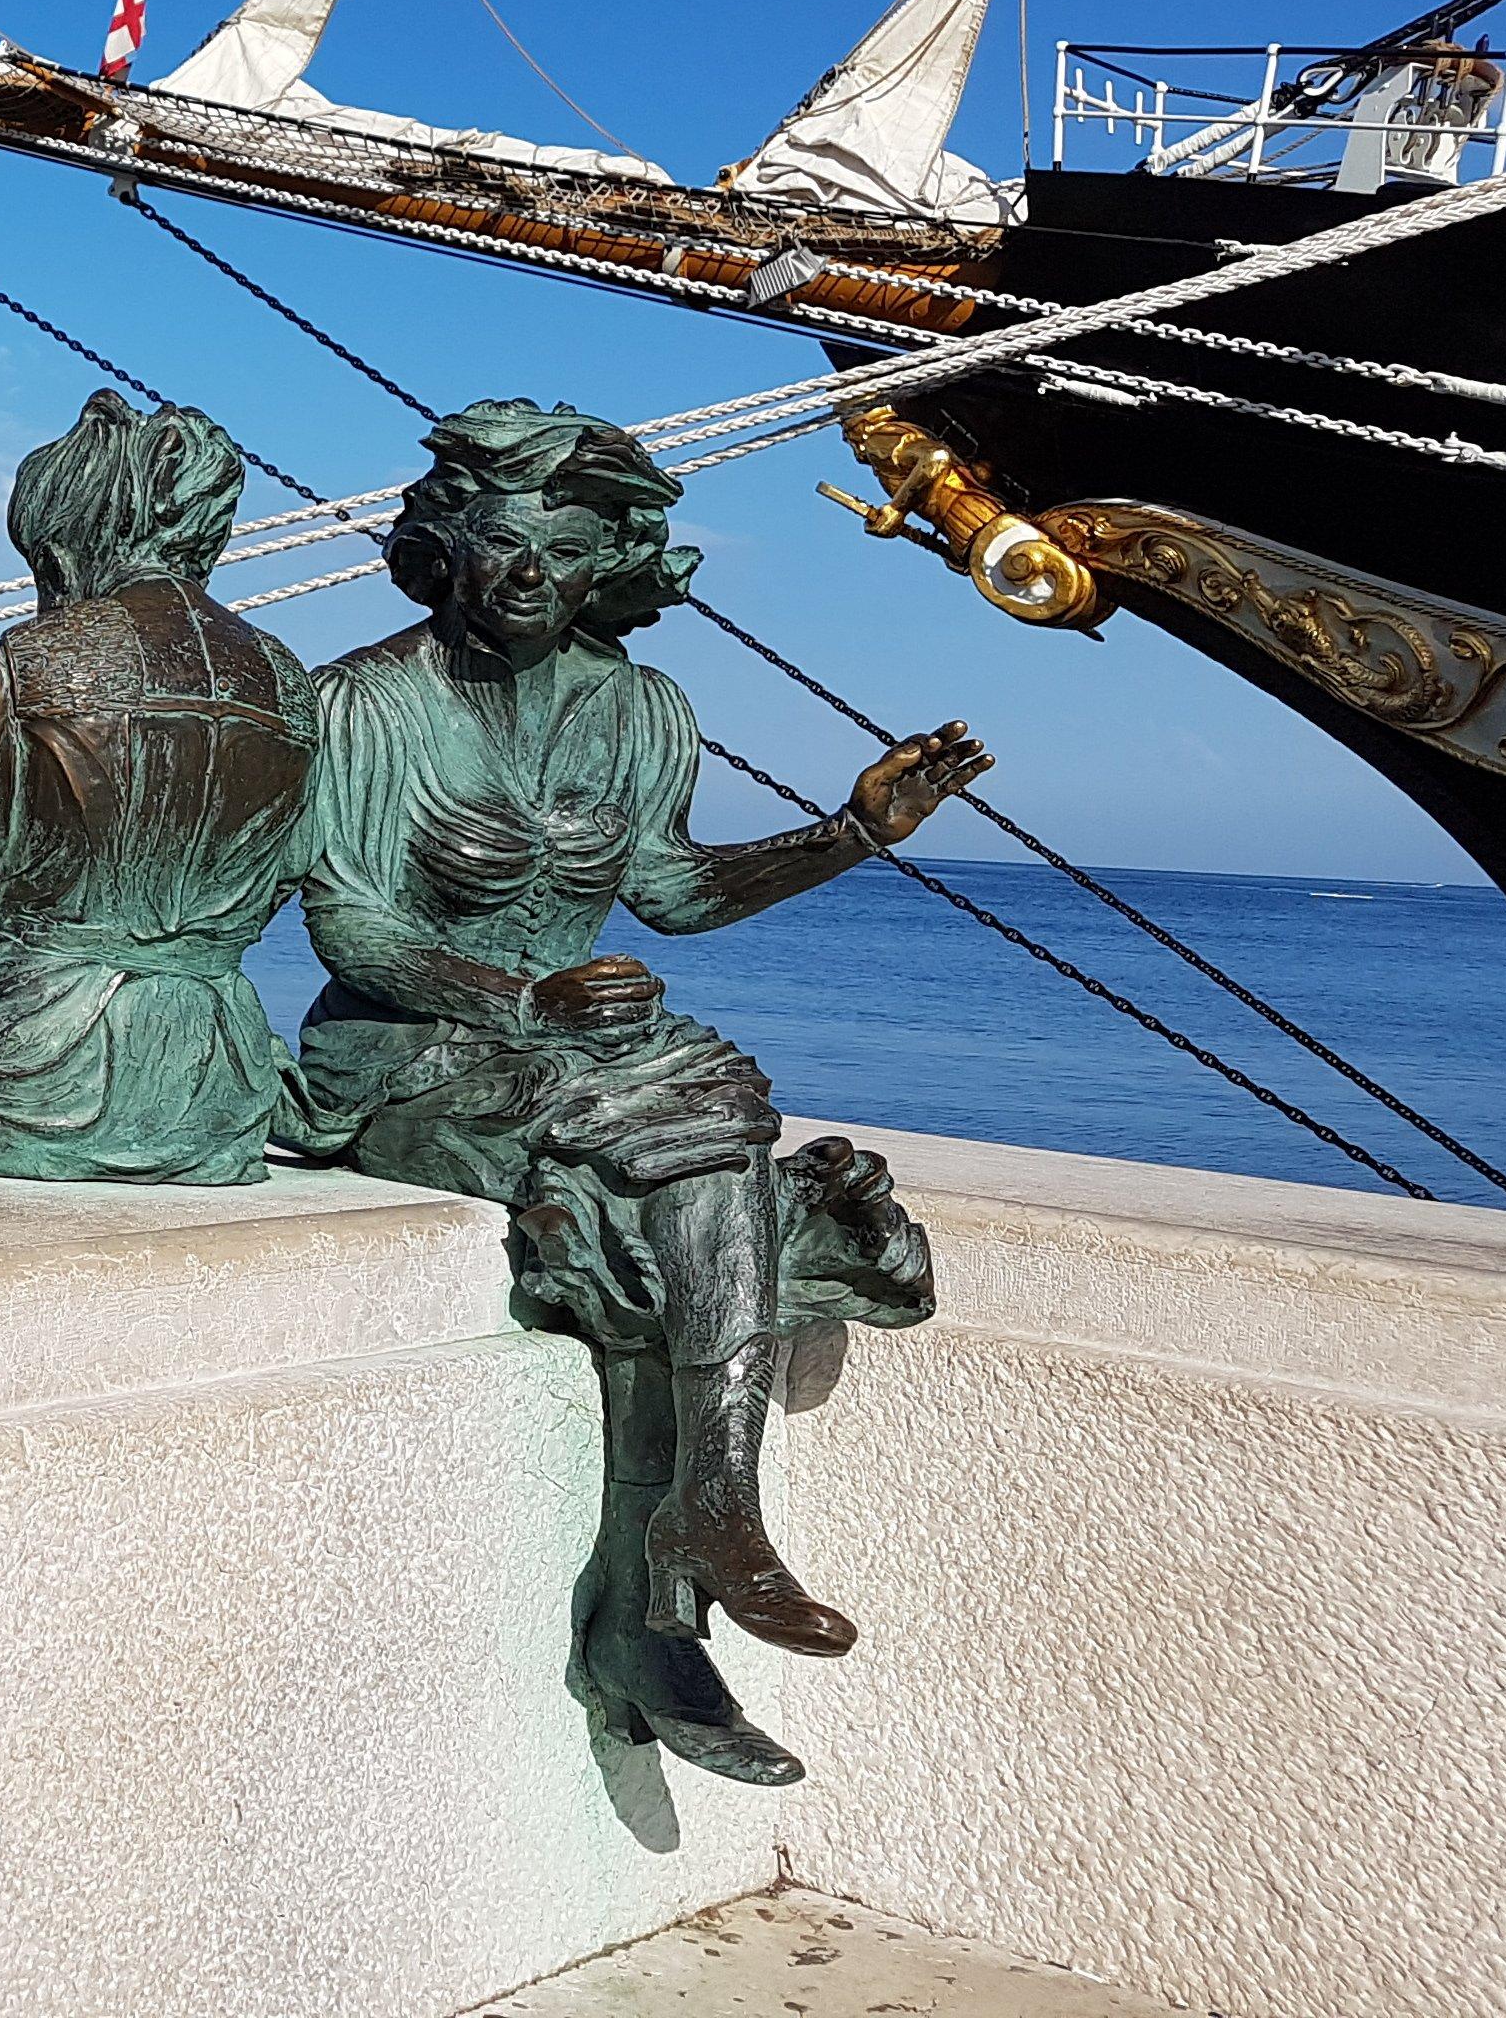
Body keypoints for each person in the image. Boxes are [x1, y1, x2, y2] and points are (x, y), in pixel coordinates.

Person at [280, 400, 986, 1785]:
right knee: (683, 1164)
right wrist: (521, 999)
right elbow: (348, 924)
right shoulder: (364, 701)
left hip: (585, 1061)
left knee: (695, 1147)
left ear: (610, 562)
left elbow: (674, 891)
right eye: (502, 542)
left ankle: (688, 1547)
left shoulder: (643, 708)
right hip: (408, 1056)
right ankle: (690, 1556)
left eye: (564, 549)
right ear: (443, 550)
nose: (529, 574)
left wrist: (851, 833)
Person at [0, 390, 319, 1184]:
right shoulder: (289, 682)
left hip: (23, 1063)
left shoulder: (23, 662)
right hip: (215, 1079)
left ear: (69, 545)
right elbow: (284, 876)